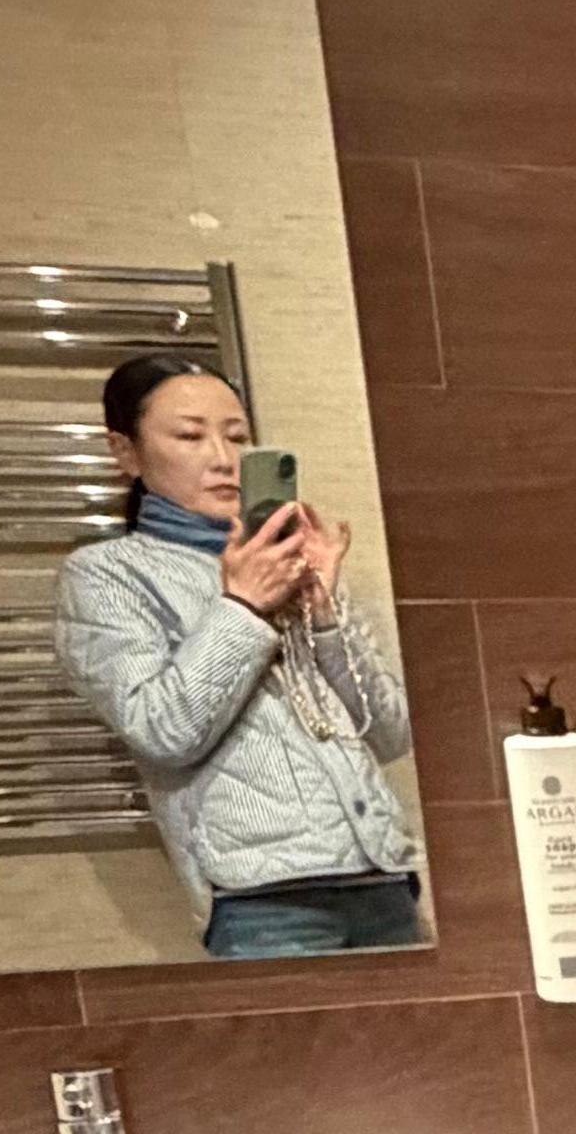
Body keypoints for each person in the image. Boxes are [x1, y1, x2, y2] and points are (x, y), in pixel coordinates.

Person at [52, 351, 425, 957]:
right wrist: (244, 607)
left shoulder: (292, 562)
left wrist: (325, 612)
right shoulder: (107, 574)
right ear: (127, 453)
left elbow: (389, 733)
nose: (223, 459)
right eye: (189, 436)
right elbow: (162, 731)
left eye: (237, 437)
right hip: (261, 901)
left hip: (381, 877)